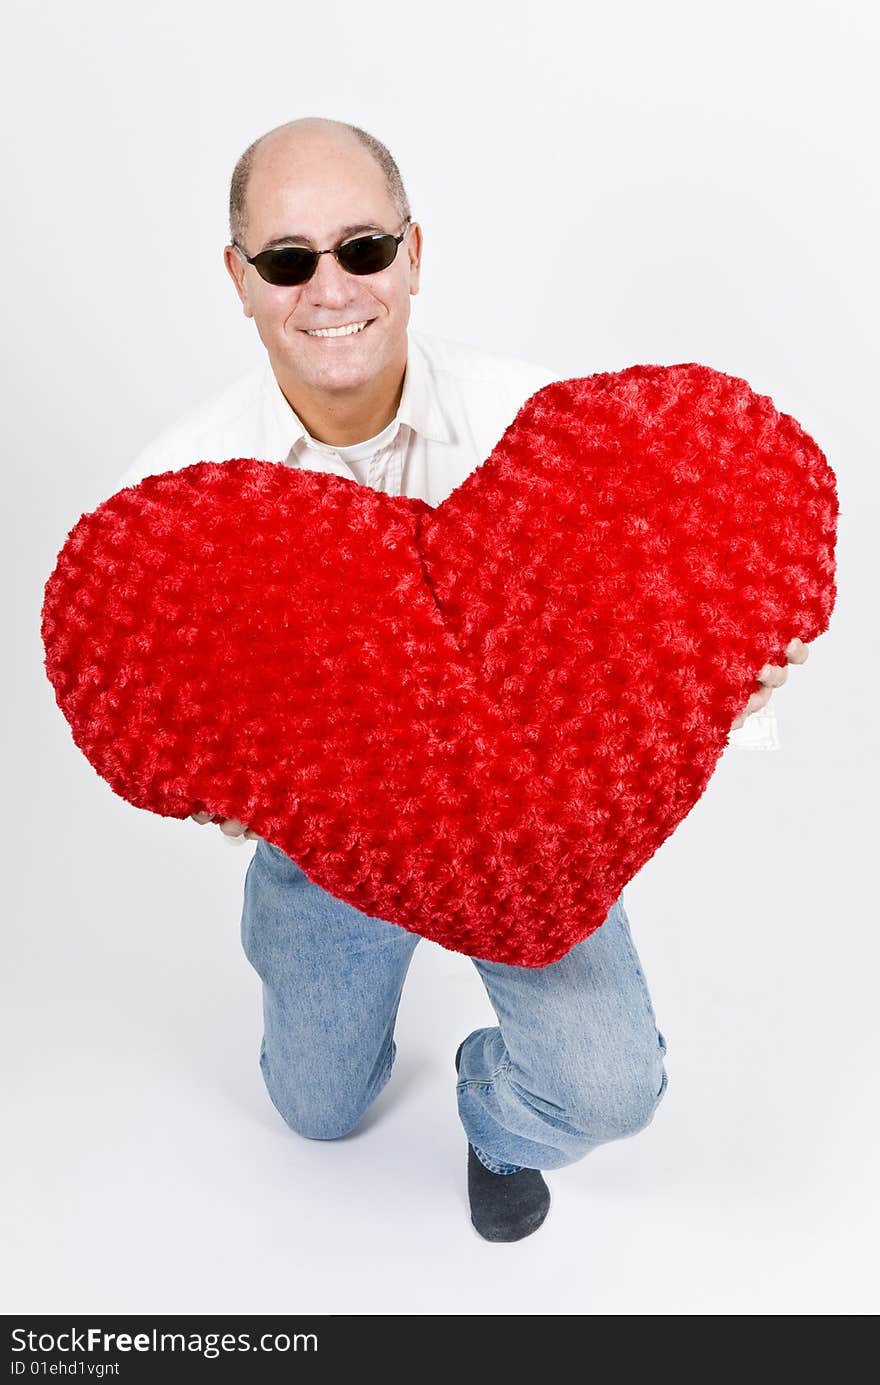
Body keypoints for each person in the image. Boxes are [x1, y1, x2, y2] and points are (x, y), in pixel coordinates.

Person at [111, 116, 810, 1242]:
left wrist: (741, 680)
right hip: (327, 836)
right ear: (239, 280)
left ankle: (496, 1119)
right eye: (288, 260)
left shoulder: (553, 433)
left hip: (534, 823)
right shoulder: (178, 503)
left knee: (608, 1088)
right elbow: (157, 711)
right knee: (316, 1112)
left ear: (415, 254)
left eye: (363, 248)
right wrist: (223, 785)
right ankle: (332, 1001)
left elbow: (662, 630)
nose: (329, 287)